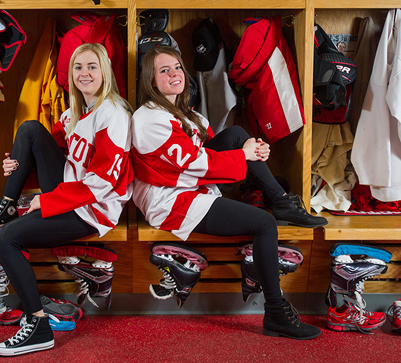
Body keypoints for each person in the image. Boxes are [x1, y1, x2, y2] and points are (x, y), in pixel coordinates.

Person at [132, 46, 325, 340]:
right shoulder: (149, 119)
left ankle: (283, 202)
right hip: (170, 200)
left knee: (236, 134)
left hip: (190, 187)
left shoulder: (187, 114)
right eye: (164, 70)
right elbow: (193, 163)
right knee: (264, 224)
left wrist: (255, 152)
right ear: (151, 80)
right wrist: (244, 156)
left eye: (177, 67)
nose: (175, 74)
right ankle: (275, 312)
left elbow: (218, 150)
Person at [0, 43, 133, 356]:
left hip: (92, 211)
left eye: (92, 67)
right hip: (70, 195)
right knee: (29, 129)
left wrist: (50, 201)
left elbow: (102, 182)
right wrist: (15, 166)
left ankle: (38, 326)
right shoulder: (74, 113)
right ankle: (5, 206)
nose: (84, 73)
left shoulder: (115, 115)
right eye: (78, 67)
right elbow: (44, 153)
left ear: (106, 72)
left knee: (4, 240)